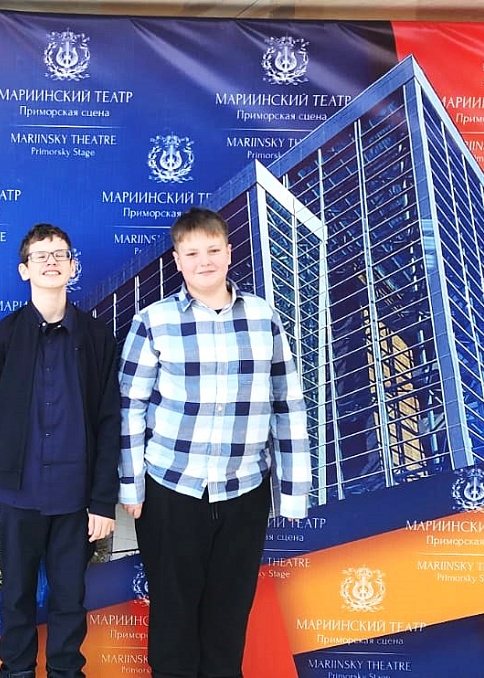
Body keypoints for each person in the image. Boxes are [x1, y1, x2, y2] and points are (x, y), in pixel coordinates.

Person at [119, 207, 311, 678]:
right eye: (191, 253)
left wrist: (292, 492)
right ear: (177, 260)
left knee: (228, 620)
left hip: (245, 490)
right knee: (174, 619)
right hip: (171, 490)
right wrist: (131, 487)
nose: (203, 261)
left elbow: (287, 403)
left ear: (228, 253)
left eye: (212, 250)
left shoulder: (264, 317)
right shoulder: (153, 321)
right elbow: (128, 409)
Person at [0, 223, 121, 678]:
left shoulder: (96, 338)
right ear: (25, 270)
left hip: (76, 498)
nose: (51, 262)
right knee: (16, 595)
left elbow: (109, 420)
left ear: (73, 267)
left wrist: (102, 500)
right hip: (19, 494)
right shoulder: (3, 338)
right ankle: (16, 672)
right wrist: (3, 477)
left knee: (69, 599)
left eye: (60, 254)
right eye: (40, 256)